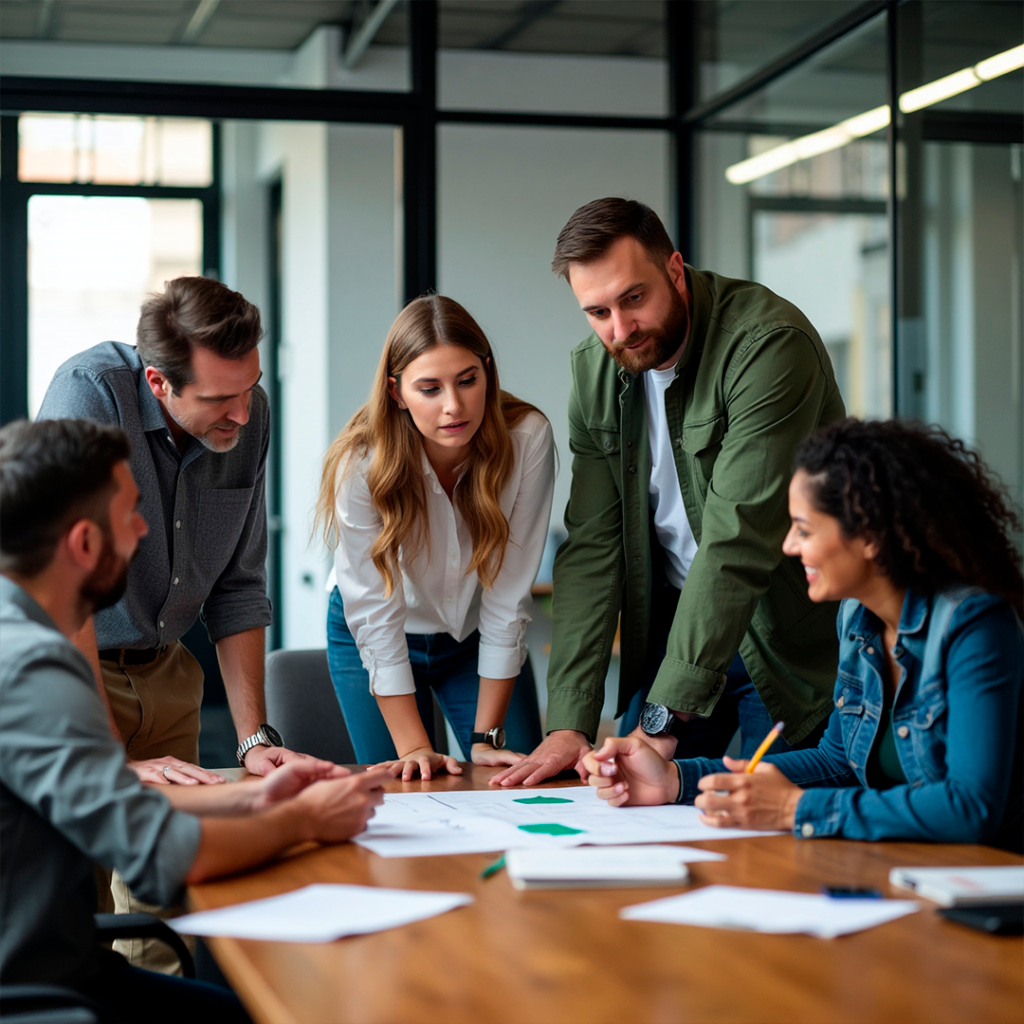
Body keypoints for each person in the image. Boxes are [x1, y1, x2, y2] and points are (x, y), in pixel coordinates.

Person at [0, 418, 388, 1023]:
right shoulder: (35, 669)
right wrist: (302, 820)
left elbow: (105, 804)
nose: (143, 530)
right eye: (130, 515)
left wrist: (252, 803)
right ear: (82, 543)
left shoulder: (17, 637)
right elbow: (160, 857)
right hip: (43, 992)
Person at [494, 197, 846, 788]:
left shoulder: (768, 345)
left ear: (675, 270)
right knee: (629, 802)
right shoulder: (596, 369)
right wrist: (570, 722)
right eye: (597, 311)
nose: (620, 329)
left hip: (782, 635)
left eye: (634, 298)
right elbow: (593, 545)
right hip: (678, 624)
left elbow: (736, 542)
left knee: (767, 819)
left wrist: (660, 721)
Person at [36, 275, 317, 968]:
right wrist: (110, 760)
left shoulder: (248, 414)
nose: (243, 414)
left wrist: (254, 738)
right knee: (78, 914)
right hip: (73, 670)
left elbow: (240, 586)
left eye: (249, 387)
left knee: (167, 920)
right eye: (221, 398)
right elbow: (60, 587)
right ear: (158, 382)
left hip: (167, 672)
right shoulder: (90, 394)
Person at [583, 418, 1024, 851]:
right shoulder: (857, 619)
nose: (789, 546)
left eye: (804, 529)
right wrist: (675, 779)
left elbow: (971, 808)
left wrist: (796, 809)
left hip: (987, 885)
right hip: (904, 867)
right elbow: (837, 763)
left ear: (870, 535)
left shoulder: (975, 626)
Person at [314, 295, 555, 780]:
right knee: (405, 788)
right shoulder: (361, 463)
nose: (454, 406)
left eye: (468, 380)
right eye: (429, 388)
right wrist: (415, 748)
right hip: (377, 630)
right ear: (397, 391)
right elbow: (376, 617)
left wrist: (487, 739)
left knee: (519, 784)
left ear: (488, 371)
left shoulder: (527, 438)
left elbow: (509, 596)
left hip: (474, 633)